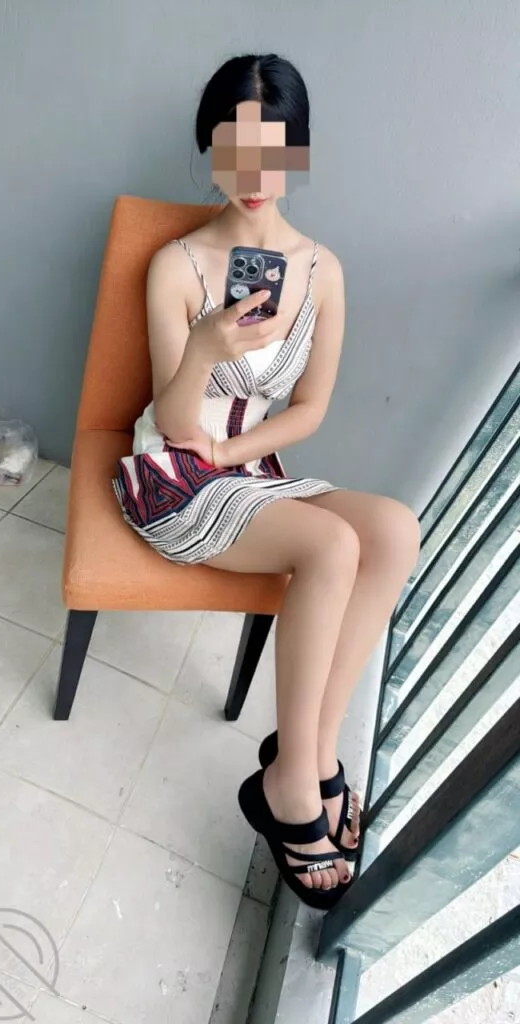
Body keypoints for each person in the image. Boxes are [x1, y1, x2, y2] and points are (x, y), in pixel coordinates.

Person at [113, 53, 420, 909]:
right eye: (234, 149)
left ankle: (308, 753)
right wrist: (205, 349)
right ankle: (294, 787)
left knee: (394, 529)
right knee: (331, 546)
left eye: (274, 151)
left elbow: (311, 408)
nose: (253, 175)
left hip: (249, 468)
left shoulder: (323, 272)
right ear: (208, 148)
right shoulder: (177, 265)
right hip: (172, 474)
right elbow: (179, 424)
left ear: (299, 152)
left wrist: (236, 453)